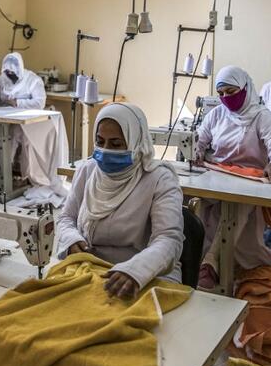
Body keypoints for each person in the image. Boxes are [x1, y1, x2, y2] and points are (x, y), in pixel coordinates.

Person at [56, 103, 184, 299]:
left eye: (116, 144)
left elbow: (168, 239)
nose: (105, 150)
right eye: (100, 141)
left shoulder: (159, 179)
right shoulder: (88, 170)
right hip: (91, 268)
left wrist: (136, 270)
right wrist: (71, 240)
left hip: (146, 275)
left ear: (136, 141)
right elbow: (66, 218)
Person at [194, 65, 271, 289]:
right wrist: (196, 151)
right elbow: (199, 140)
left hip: (248, 183)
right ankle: (189, 257)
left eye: (231, 92)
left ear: (246, 88)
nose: (226, 98)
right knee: (187, 201)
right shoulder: (216, 114)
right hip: (216, 176)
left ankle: (210, 263)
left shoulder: (262, 117)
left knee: (236, 206)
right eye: (221, 94)